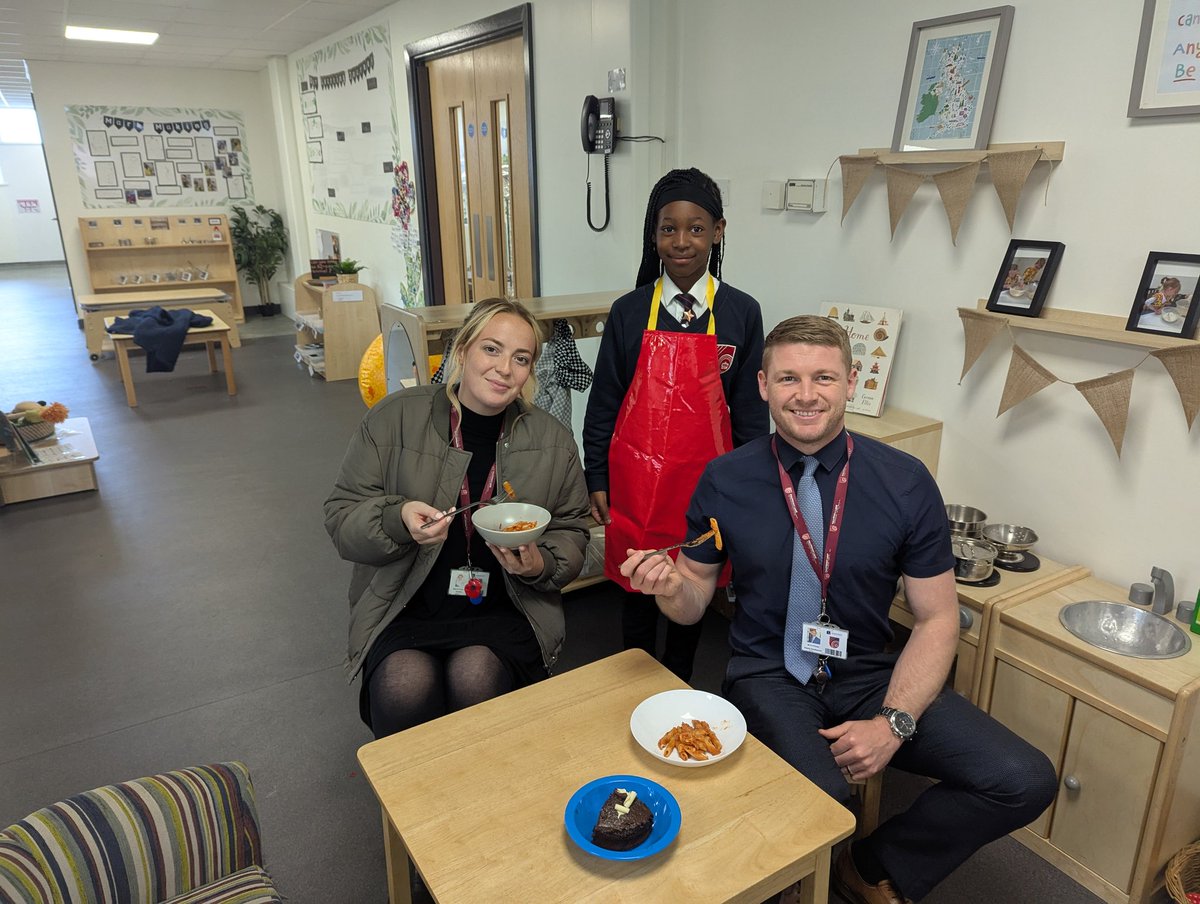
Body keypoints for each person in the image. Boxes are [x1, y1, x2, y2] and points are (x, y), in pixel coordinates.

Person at [620, 315, 1056, 904]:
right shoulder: (724, 480)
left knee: (1023, 779)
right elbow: (694, 601)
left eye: (823, 377)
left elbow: (937, 617)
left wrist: (894, 723)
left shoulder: (905, 482)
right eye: (788, 378)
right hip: (769, 672)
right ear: (761, 386)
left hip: (870, 673)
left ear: (852, 381)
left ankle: (874, 866)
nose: (805, 395)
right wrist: (668, 587)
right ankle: (828, 858)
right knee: (827, 804)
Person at [325, 298, 590, 739]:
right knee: (402, 685)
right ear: (462, 350)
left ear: (529, 372)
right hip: (406, 602)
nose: (505, 368)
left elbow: (572, 531)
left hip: (506, 605)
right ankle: (414, 804)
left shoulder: (553, 440)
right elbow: (341, 519)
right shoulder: (394, 419)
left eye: (521, 358)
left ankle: (479, 801)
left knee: (477, 678)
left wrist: (539, 564)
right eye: (491, 349)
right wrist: (397, 518)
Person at [583, 167, 768, 681]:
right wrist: (595, 475)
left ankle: (680, 677)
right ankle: (635, 674)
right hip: (635, 481)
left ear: (718, 231)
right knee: (638, 582)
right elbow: (603, 404)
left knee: (691, 580)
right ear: (654, 235)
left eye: (695, 228)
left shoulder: (741, 312)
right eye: (669, 229)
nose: (681, 241)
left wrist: (752, 485)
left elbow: (751, 413)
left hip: (709, 482)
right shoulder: (627, 312)